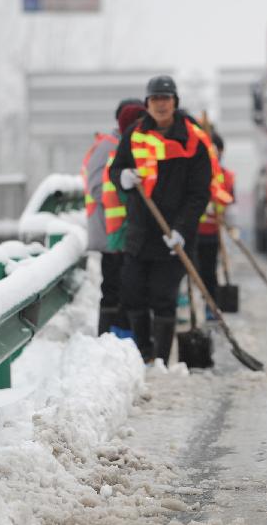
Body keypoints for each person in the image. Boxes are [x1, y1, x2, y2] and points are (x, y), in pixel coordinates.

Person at [109, 75, 212, 364]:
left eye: (165, 99)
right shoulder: (135, 134)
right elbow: (116, 170)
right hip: (141, 229)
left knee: (163, 295)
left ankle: (163, 359)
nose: (161, 104)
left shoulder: (194, 140)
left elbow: (198, 192)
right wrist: (123, 178)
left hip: (174, 233)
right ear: (147, 103)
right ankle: (143, 353)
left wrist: (182, 229)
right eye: (155, 99)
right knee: (132, 291)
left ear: (175, 102)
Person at [80, 98, 144, 337]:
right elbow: (96, 187)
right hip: (110, 232)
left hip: (122, 230)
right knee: (113, 288)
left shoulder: (126, 144)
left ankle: (116, 336)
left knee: (124, 287)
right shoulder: (108, 147)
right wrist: (126, 191)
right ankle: (108, 336)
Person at [196, 129, 235, 318]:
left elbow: (229, 200)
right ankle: (194, 305)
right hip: (192, 231)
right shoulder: (195, 172)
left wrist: (221, 210)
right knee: (192, 272)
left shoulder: (226, 176)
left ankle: (210, 306)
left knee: (209, 271)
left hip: (212, 232)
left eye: (217, 149)